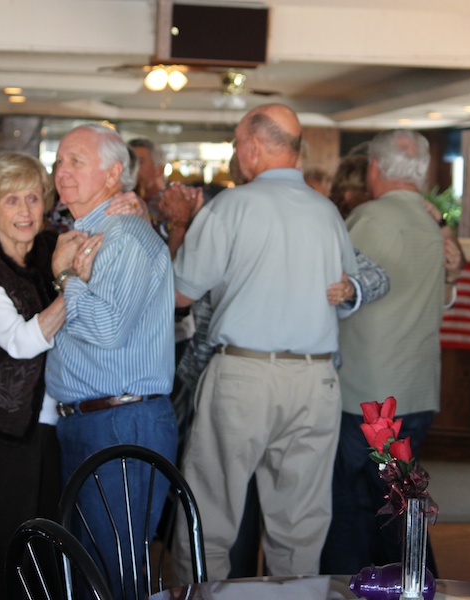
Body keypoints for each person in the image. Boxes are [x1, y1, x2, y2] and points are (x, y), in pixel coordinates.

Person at [171, 103, 358, 580]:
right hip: (316, 380)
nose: (237, 153)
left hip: (245, 374)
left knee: (208, 512)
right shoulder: (327, 212)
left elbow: (180, 293)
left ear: (253, 147)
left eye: (237, 143)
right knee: (300, 526)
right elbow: (347, 290)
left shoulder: (230, 206)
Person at [0, 152, 94, 600]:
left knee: (49, 550)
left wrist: (135, 206)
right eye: (12, 201)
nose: (25, 211)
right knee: (5, 552)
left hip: (55, 424)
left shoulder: (51, 246)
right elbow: (22, 342)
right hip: (3, 433)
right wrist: (73, 287)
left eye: (33, 198)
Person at [46, 123, 177, 599]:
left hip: (121, 420)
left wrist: (65, 280)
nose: (62, 171)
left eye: (76, 161)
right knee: (92, 569)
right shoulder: (84, 233)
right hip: (94, 420)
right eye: (59, 161)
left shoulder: (120, 237)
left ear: (113, 173)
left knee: (114, 571)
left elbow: (105, 329)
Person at [321, 129, 447, 576]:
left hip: (371, 398)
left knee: (355, 510)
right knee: (397, 505)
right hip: (414, 391)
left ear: (375, 168)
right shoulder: (433, 225)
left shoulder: (371, 218)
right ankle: (412, 582)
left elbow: (336, 291)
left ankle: (353, 587)